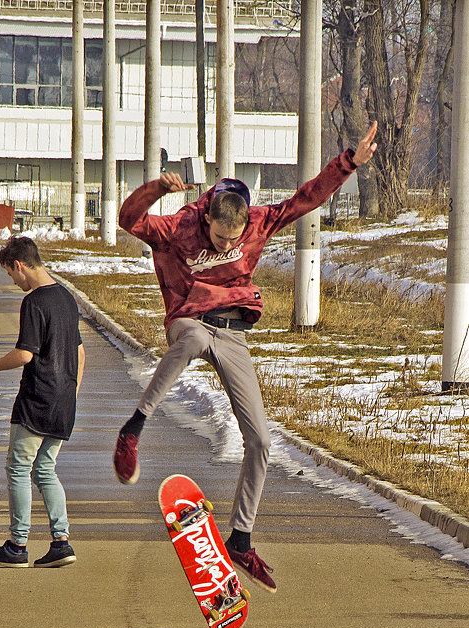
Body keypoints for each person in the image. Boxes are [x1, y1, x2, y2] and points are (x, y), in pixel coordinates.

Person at [114, 122, 378, 593]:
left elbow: (308, 198)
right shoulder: (180, 225)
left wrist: (347, 164)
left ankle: (241, 538)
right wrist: (156, 187)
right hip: (189, 320)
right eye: (217, 239)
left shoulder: (259, 221)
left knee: (260, 442)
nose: (224, 248)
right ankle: (133, 427)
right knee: (192, 341)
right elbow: (127, 219)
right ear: (208, 218)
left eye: (232, 241)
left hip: (234, 334)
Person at [0, 235, 85, 567]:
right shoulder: (67, 297)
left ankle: (17, 546)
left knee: (19, 468)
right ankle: (61, 543)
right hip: (64, 403)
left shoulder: (35, 301)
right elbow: (80, 354)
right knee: (45, 470)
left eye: (11, 274)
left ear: (19, 265)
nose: (13, 281)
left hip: (36, 402)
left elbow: (24, 354)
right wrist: (69, 396)